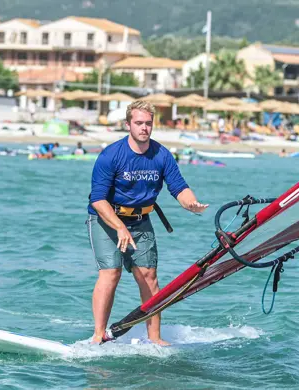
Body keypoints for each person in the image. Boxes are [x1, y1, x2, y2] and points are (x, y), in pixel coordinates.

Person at [87, 100, 208, 345]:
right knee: (111, 273)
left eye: (148, 123)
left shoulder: (161, 155)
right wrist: (119, 227)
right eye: (139, 123)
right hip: (106, 219)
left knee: (149, 276)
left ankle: (155, 338)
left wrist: (191, 204)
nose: (144, 128)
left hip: (141, 220)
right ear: (128, 125)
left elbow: (179, 187)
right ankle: (98, 334)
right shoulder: (111, 155)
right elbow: (98, 200)